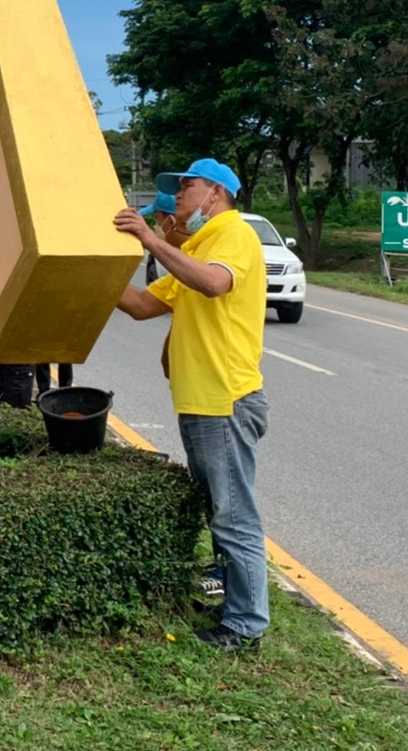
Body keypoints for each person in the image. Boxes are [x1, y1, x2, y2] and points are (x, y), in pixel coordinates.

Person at [113, 158, 268, 652]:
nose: (178, 196)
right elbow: (142, 306)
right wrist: (87, 270)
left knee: (233, 515)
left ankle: (245, 625)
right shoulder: (199, 248)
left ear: (215, 193)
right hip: (201, 400)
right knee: (221, 510)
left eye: (187, 186)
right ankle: (233, 604)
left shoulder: (233, 234)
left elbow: (216, 283)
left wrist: (150, 240)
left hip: (224, 398)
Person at [137, 191, 179, 283]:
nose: (156, 225)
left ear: (171, 221)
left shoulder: (164, 260)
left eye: (157, 218)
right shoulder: (201, 247)